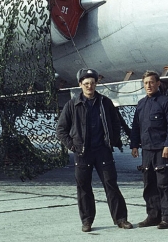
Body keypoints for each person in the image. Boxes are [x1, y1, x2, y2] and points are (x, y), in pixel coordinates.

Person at [56, 68, 133, 232]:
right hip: (82, 153)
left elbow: (115, 123)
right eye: (86, 84)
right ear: (80, 85)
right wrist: (72, 146)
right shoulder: (72, 105)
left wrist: (113, 140)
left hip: (102, 150)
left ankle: (121, 219)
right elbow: (61, 130)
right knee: (84, 187)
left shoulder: (105, 102)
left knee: (111, 184)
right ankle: (87, 221)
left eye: (92, 83)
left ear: (96, 84)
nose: (89, 86)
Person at [130, 70, 168, 229]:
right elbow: (136, 127)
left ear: (158, 83)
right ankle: (153, 216)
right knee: (149, 185)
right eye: (146, 83)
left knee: (165, 185)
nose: (149, 85)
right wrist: (134, 145)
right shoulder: (141, 104)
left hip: (161, 150)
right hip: (146, 151)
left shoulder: (165, 102)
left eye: (151, 82)